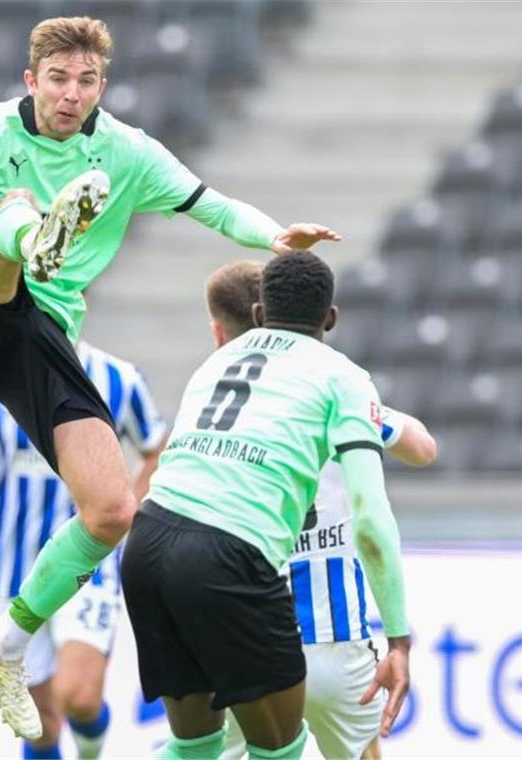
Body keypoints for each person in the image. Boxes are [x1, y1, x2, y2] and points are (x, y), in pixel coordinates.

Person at [0, 15, 341, 738]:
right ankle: (39, 237)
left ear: (102, 85)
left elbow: (211, 205)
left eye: (86, 81)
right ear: (32, 81)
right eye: (58, 80)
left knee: (111, 509)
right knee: (11, 210)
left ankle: (4, 643)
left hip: (40, 336)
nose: (71, 94)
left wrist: (276, 238)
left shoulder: (126, 153)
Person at [120, 252, 410, 760]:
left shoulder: (213, 363)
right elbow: (370, 519)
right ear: (331, 318)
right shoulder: (341, 377)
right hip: (225, 557)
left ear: (257, 314)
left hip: (147, 546)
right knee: (279, 748)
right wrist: (400, 639)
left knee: (196, 749)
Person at [201, 261, 436, 760]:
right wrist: (381, 419)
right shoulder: (341, 390)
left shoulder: (219, 402)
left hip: (250, 631)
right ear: (329, 318)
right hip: (335, 638)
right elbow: (423, 448)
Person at [0, 337, 168, 759]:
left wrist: (128, 512)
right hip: (15, 568)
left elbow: (157, 451)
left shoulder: (118, 377)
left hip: (89, 565)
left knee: (78, 696)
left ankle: (88, 752)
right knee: (40, 724)